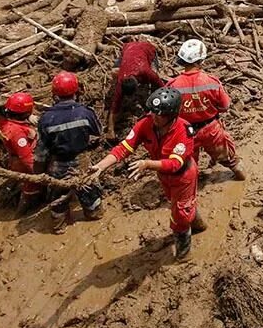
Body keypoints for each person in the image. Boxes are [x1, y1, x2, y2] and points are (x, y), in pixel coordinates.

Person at [93, 88, 198, 258]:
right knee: (180, 205)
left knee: (179, 216)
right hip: (164, 176)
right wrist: (101, 166)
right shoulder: (146, 123)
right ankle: (195, 221)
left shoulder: (183, 131)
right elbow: (124, 147)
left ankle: (183, 253)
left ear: (171, 115)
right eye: (153, 112)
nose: (154, 117)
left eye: (159, 115)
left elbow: (174, 164)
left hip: (183, 176)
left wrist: (147, 164)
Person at [166, 39, 246, 180]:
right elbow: (225, 106)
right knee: (229, 157)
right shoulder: (211, 81)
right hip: (211, 129)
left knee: (188, 164)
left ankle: (192, 185)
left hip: (186, 131)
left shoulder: (172, 85)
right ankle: (239, 174)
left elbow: (168, 112)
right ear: (201, 61)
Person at [38, 71, 103, 234]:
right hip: (81, 160)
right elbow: (98, 132)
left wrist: (38, 170)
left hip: (57, 162)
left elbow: (42, 148)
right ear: (76, 91)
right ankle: (93, 213)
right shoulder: (86, 112)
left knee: (57, 194)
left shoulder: (46, 118)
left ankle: (59, 225)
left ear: (54, 94)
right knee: (88, 189)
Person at [106, 40, 163, 140]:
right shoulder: (121, 80)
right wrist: (110, 130)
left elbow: (161, 85)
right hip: (128, 47)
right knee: (113, 72)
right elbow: (115, 106)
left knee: (155, 75)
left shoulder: (146, 71)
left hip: (147, 47)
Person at [0, 91, 41, 214]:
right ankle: (24, 212)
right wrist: (39, 173)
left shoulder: (6, 122)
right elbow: (26, 158)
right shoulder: (17, 133)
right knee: (32, 187)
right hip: (23, 163)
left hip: (15, 159)